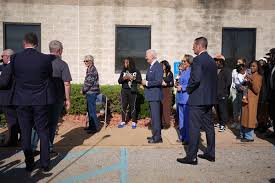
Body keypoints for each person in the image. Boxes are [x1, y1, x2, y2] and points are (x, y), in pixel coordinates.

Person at [12, 32, 55, 172]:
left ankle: (29, 163)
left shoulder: (15, 58)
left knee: (25, 132)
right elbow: (48, 76)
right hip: (40, 100)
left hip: (22, 100)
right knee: (43, 131)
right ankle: (45, 164)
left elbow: (8, 78)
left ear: (24, 43)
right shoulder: (45, 59)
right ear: (37, 44)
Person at [177, 37, 217, 165]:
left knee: (194, 128)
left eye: (194, 45)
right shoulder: (211, 60)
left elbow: (196, 79)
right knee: (209, 127)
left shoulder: (198, 60)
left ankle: (191, 157)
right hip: (209, 99)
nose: (192, 48)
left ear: (200, 46)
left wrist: (188, 89)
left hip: (198, 99)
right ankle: (211, 153)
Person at [31, 40, 72, 155]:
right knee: (52, 124)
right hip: (56, 98)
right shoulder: (62, 64)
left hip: (39, 98)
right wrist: (68, 99)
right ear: (59, 50)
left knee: (37, 123)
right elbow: (67, 83)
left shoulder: (39, 61)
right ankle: (48, 149)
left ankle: (32, 148)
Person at [142, 49, 163, 143]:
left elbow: (158, 81)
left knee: (156, 117)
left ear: (152, 56)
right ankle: (155, 135)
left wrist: (146, 83)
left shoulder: (157, 66)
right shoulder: (151, 66)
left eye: (147, 55)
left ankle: (157, 137)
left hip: (155, 96)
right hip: (151, 96)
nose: (145, 57)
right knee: (153, 117)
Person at [0, 49, 20, 147]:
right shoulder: (17, 66)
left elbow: (3, 83)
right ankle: (19, 140)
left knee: (11, 121)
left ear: (7, 56)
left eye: (2, 56)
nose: (1, 58)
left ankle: (13, 141)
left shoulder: (8, 67)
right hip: (15, 97)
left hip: (7, 99)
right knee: (16, 120)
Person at [240, 61, 263, 142]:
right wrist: (243, 85)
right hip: (245, 99)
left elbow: (257, 90)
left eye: (254, 66)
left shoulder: (258, 77)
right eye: (251, 66)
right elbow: (245, 86)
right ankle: (243, 135)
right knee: (244, 118)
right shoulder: (249, 75)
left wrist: (251, 81)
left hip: (252, 100)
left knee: (250, 118)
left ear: (257, 68)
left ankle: (249, 137)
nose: (252, 68)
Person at [117, 57, 142, 129]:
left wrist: (132, 78)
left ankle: (134, 122)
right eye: (124, 62)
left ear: (130, 63)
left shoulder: (136, 71)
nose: (125, 64)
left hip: (132, 91)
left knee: (132, 106)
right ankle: (123, 121)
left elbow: (139, 80)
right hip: (124, 90)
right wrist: (124, 78)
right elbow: (119, 81)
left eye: (126, 62)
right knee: (123, 105)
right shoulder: (123, 71)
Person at [175, 54, 193, 145]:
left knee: (186, 119)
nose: (183, 63)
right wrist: (177, 85)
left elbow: (192, 84)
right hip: (180, 98)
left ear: (189, 62)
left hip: (187, 98)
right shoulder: (182, 72)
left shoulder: (191, 72)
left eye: (184, 61)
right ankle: (182, 137)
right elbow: (179, 82)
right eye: (182, 61)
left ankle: (187, 138)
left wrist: (183, 87)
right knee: (181, 119)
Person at [81, 55, 100, 134]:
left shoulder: (92, 70)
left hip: (92, 93)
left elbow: (89, 82)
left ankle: (95, 128)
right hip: (90, 92)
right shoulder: (89, 69)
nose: (85, 62)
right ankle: (91, 126)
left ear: (91, 61)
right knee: (89, 110)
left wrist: (83, 90)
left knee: (92, 111)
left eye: (87, 61)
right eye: (84, 61)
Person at [214, 54, 232, 132]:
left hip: (223, 94)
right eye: (215, 60)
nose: (215, 62)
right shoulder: (214, 70)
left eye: (217, 60)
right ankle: (220, 121)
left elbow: (229, 82)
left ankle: (223, 124)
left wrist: (224, 91)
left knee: (222, 109)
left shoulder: (226, 70)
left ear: (221, 62)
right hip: (215, 93)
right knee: (217, 109)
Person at [230, 58, 247, 129]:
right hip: (234, 90)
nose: (237, 63)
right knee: (235, 107)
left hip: (241, 91)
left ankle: (240, 123)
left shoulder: (245, 71)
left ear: (244, 63)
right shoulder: (234, 71)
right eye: (237, 62)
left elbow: (244, 81)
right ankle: (235, 122)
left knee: (241, 107)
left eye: (239, 62)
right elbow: (233, 80)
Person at [160, 60, 174, 128]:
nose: (161, 66)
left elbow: (172, 83)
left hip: (167, 91)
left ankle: (166, 123)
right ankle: (161, 123)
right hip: (160, 91)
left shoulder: (170, 73)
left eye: (163, 65)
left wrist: (166, 84)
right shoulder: (159, 72)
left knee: (166, 107)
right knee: (160, 107)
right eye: (161, 65)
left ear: (166, 65)